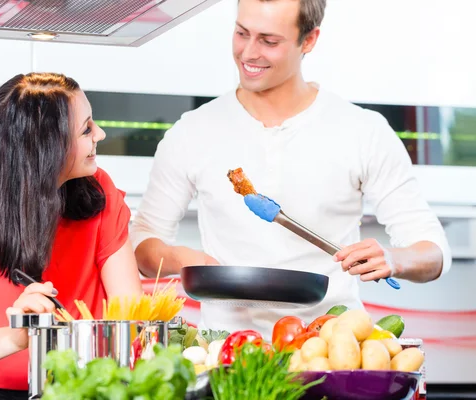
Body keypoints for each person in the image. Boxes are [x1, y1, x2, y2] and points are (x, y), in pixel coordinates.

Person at [130, 0, 451, 339]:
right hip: (224, 348)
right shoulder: (193, 130)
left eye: (269, 41)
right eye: (241, 33)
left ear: (309, 40)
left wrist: (394, 258)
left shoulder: (362, 130)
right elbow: (142, 243)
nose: (248, 53)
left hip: (330, 344)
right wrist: (180, 260)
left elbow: (432, 251)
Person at [0, 72, 143, 399]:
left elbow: (132, 321)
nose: (99, 134)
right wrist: (16, 338)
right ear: (48, 150)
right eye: (86, 128)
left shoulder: (100, 197)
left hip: (86, 389)